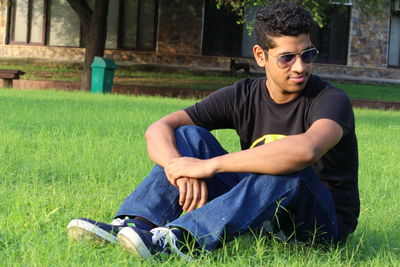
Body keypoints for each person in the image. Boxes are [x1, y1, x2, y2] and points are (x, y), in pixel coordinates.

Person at [67, 1, 359, 261]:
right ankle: (136, 224)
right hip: (264, 212)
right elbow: (160, 128)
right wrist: (177, 167)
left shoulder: (331, 100)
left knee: (290, 168)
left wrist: (208, 166)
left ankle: (181, 240)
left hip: (319, 224)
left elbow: (306, 150)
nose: (300, 67)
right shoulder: (243, 95)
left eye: (307, 55)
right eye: (287, 57)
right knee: (187, 136)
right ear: (260, 56)